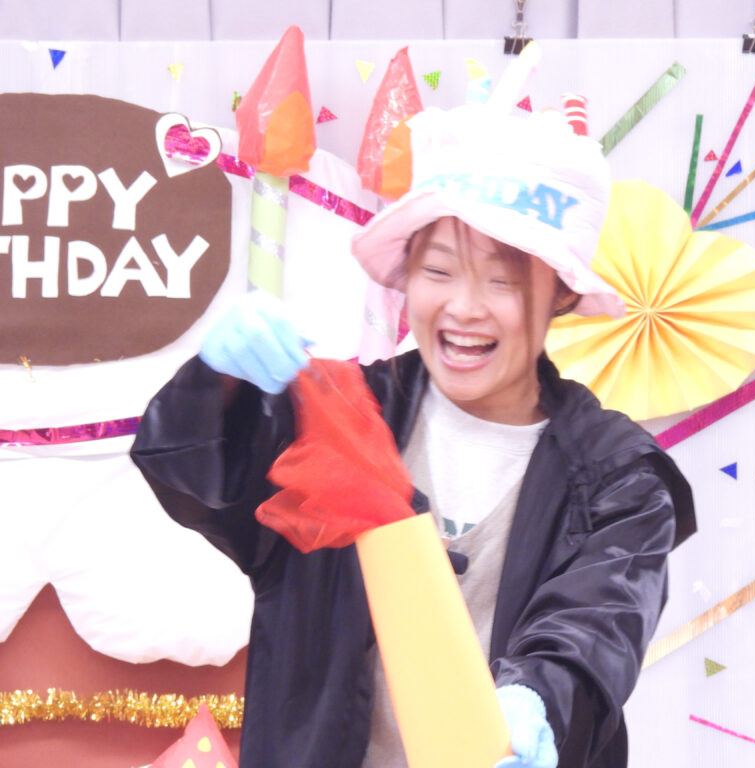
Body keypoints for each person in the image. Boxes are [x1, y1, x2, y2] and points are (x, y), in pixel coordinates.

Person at [131, 64, 695, 768]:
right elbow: (196, 475)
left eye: (503, 280)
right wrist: (217, 382)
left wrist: (539, 702)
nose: (464, 307)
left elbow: (599, 625)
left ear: (560, 295)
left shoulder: (620, 477)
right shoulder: (334, 415)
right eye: (439, 271)